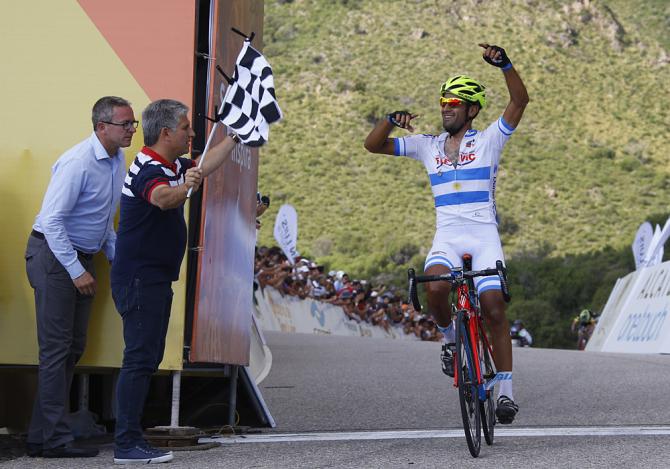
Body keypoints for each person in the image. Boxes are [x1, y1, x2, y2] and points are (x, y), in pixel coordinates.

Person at [364, 43, 529, 424]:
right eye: (442, 103)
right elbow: (373, 145)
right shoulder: (427, 146)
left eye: (453, 103)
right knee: (435, 290)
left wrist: (504, 64)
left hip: (484, 235)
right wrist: (390, 119)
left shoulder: (488, 139)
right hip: (448, 237)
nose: (445, 109)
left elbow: (519, 101)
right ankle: (452, 342)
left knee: (493, 308)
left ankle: (505, 391)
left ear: (471, 109)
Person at [110, 99, 239, 464]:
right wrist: (186, 187)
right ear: (166, 132)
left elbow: (202, 167)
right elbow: (163, 198)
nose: (192, 133)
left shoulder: (171, 164)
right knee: (138, 359)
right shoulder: (149, 167)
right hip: (140, 279)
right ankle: (126, 444)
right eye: (186, 128)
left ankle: (132, 437)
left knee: (146, 358)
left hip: (153, 278)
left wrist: (235, 139)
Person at [25, 96, 137, 458]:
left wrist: (114, 256)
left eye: (132, 123)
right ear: (101, 126)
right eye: (125, 124)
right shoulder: (78, 162)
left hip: (81, 257)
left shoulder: (118, 160)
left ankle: (41, 436)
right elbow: (53, 220)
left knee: (72, 348)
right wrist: (76, 270)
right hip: (56, 256)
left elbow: (104, 220)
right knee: (56, 350)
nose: (131, 130)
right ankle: (55, 440)